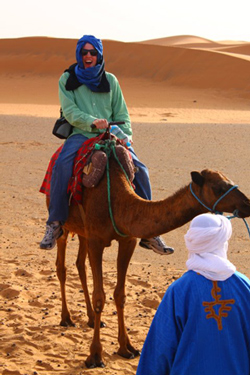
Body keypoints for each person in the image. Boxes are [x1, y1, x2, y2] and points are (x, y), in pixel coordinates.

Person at [40, 34, 174, 255]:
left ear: (99, 55)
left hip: (111, 133)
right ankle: (55, 223)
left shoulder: (110, 80)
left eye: (93, 52)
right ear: (79, 54)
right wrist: (91, 121)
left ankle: (149, 231)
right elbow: (70, 111)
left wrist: (126, 136)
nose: (89, 56)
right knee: (61, 164)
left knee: (141, 170)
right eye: (85, 52)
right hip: (81, 133)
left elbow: (122, 113)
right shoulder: (67, 79)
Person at [136, 213, 250, 375]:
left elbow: (160, 350)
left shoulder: (179, 290)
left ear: (192, 243)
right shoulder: (244, 286)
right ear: (222, 243)